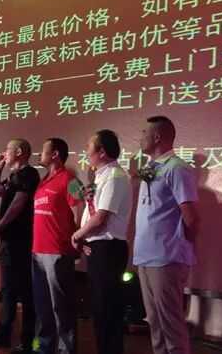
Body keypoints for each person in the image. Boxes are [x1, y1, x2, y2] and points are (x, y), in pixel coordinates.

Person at [134, 116, 199, 354]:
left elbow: (191, 218)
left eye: (144, 132)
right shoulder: (151, 168)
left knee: (171, 323)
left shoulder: (177, 168)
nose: (140, 137)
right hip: (145, 257)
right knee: (154, 322)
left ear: (157, 136)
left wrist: (180, 247)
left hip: (166, 257)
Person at [71, 130, 132, 354]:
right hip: (98, 248)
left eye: (89, 147)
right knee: (99, 309)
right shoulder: (101, 176)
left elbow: (100, 218)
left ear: (102, 151)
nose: (86, 152)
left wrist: (77, 235)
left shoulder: (114, 177)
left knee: (107, 310)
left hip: (108, 249)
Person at [0, 139, 40, 353]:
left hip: (20, 238)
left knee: (24, 289)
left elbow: (18, 203)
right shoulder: (13, 175)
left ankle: (27, 339)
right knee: (7, 289)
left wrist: (0, 225)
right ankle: (2, 333)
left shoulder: (29, 173)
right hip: (7, 238)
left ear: (19, 151)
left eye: (8, 150)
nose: (4, 153)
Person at [32, 138, 83, 354]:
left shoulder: (70, 180)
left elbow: (79, 212)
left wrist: (77, 241)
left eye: (43, 149)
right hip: (38, 250)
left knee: (61, 305)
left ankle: (66, 349)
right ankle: (45, 345)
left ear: (55, 154)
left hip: (58, 251)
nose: (39, 153)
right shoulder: (44, 180)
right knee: (43, 304)